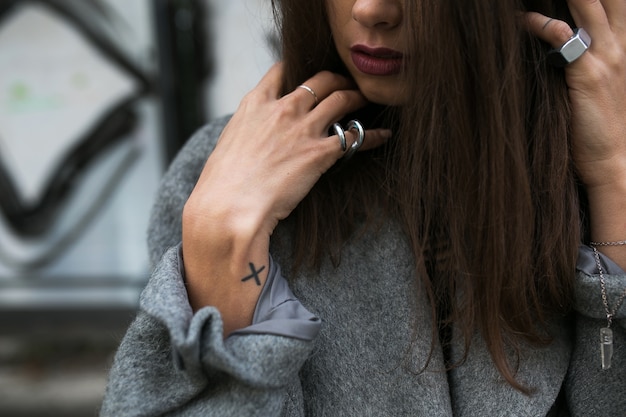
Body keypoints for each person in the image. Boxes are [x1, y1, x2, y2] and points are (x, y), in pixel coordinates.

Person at [100, 0, 626, 415]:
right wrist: (222, 243)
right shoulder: (222, 178)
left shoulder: (591, 164)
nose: (371, 10)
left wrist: (612, 175)